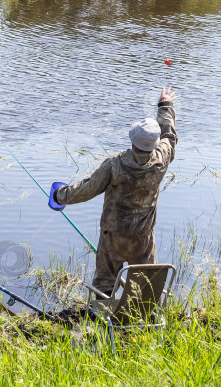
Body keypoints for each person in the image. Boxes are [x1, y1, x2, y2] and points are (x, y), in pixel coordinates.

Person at [49, 87, 177, 295]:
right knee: (144, 286)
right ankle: (142, 321)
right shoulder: (162, 159)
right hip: (143, 237)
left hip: (113, 236)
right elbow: (169, 135)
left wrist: (59, 195)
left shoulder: (114, 164)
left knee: (104, 284)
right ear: (155, 143)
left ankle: (102, 319)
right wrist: (165, 106)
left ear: (132, 140)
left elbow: (86, 190)